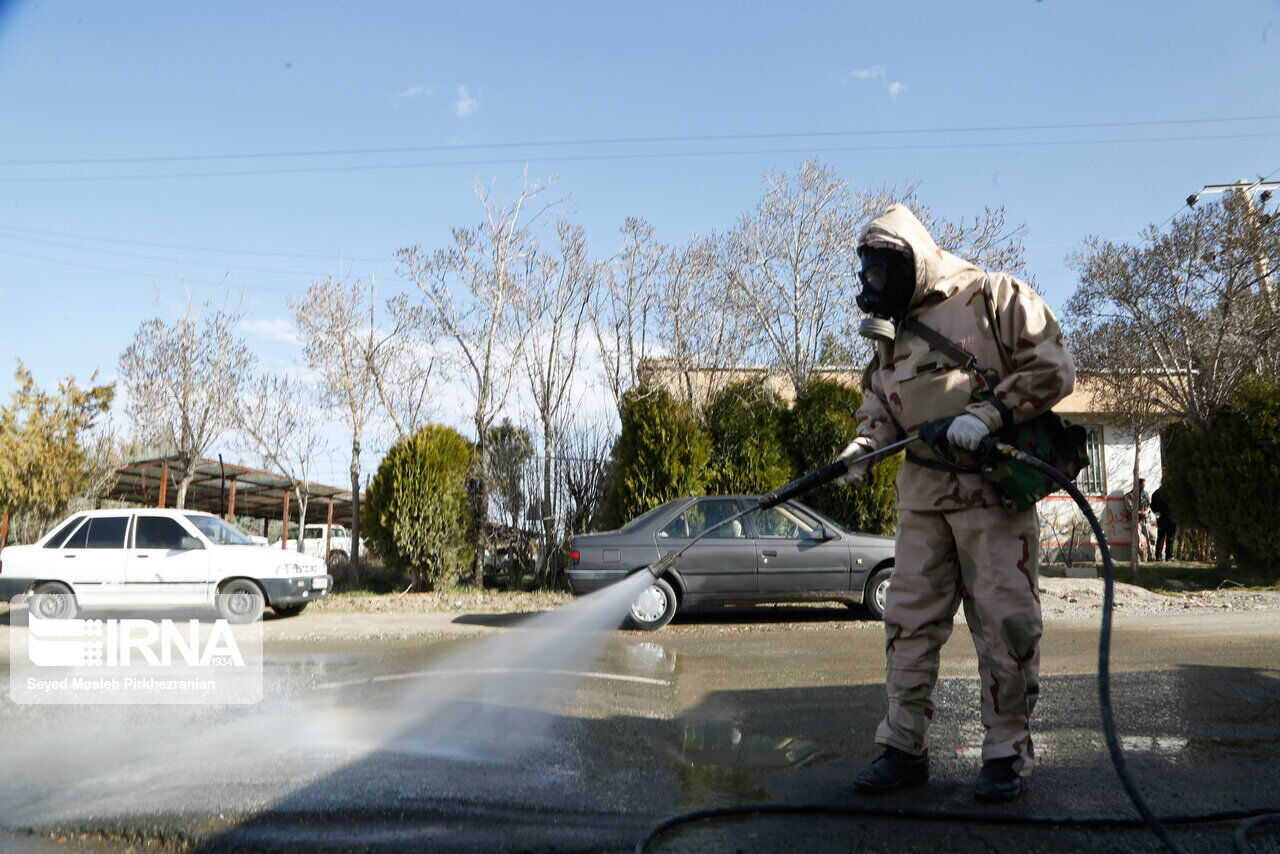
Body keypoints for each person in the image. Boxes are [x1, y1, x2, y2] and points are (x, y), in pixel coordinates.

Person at [839, 205, 1075, 803]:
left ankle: (1005, 754)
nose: (874, 283)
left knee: (1005, 624)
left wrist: (990, 413)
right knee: (908, 624)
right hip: (922, 499)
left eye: (882, 269)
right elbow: (881, 399)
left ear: (911, 260)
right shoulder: (892, 324)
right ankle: (903, 747)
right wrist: (866, 444)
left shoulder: (995, 295)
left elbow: (1055, 368)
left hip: (992, 494)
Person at [1125, 479, 1152, 560]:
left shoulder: (1145, 494)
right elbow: (1130, 508)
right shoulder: (1129, 495)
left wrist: (1146, 512)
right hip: (1134, 521)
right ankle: (1142, 557)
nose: (1144, 486)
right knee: (1137, 539)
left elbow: (1149, 505)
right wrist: (1140, 512)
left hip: (1145, 520)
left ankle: (1151, 556)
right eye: (1143, 484)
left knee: (1151, 537)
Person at [1150, 485, 1176, 561]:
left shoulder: (1156, 493)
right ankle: (1169, 556)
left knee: (1161, 537)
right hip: (1171, 518)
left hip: (1161, 518)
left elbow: (1152, 506)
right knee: (1170, 538)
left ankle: (1159, 556)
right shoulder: (1172, 492)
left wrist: (1157, 513)